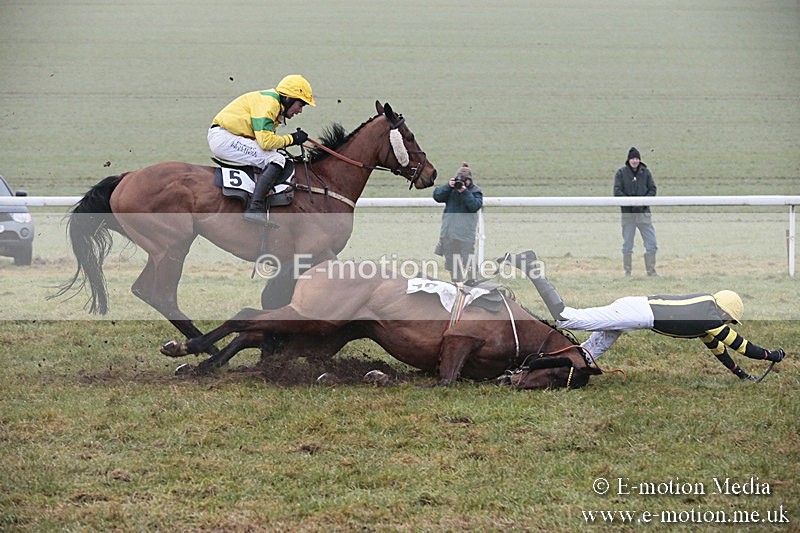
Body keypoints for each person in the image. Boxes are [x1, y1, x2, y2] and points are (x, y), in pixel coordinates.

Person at [499, 250, 786, 382]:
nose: (726, 324)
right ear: (724, 312)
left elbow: (721, 350)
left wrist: (740, 375)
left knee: (585, 356)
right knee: (565, 319)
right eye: (729, 320)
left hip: (636, 313)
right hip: (635, 314)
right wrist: (770, 355)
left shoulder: (707, 319)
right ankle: (531, 266)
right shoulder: (710, 314)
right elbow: (740, 344)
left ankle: (527, 370)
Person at [208, 74, 316, 225]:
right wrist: (293, 139)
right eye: (301, 105)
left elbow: (268, 142)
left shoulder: (275, 106)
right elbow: (266, 142)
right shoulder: (269, 103)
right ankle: (255, 209)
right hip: (225, 138)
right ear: (288, 98)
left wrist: (287, 143)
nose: (300, 111)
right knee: (276, 159)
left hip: (231, 136)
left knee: (278, 155)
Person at [433, 162, 483, 282]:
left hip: (465, 235)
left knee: (468, 261)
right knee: (451, 262)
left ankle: (473, 283)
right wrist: (448, 186)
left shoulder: (475, 191)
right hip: (449, 233)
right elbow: (437, 196)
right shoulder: (450, 189)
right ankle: (457, 284)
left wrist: (464, 192)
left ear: (469, 180)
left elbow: (474, 206)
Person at [614, 147, 658, 277]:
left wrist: (642, 203)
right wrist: (630, 203)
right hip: (628, 215)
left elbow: (652, 189)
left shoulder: (646, 173)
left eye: (637, 158)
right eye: (633, 158)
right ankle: (627, 272)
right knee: (628, 245)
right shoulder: (621, 173)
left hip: (644, 214)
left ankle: (651, 271)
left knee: (652, 244)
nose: (635, 161)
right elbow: (617, 192)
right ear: (628, 160)